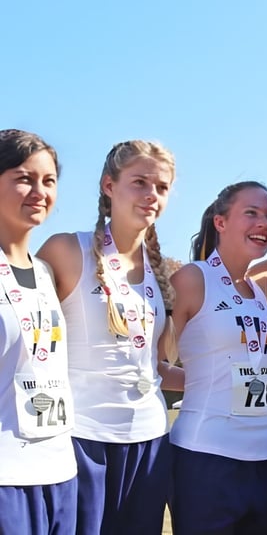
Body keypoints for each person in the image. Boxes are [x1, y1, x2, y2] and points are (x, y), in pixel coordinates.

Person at [37, 140, 182, 534]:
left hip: (149, 441)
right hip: (82, 439)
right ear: (108, 185)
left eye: (162, 187)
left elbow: (151, 367)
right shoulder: (66, 250)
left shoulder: (162, 273)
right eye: (139, 182)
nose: (151, 195)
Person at [169, 180, 267, 534]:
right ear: (220, 222)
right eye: (250, 213)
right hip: (206, 458)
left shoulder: (259, 286)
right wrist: (204, 380)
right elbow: (149, 364)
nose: (264, 223)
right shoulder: (193, 279)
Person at [0, 130, 76, 534]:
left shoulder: (48, 273)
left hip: (59, 472)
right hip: (5, 479)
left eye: (48, 181)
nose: (39, 191)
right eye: (23, 177)